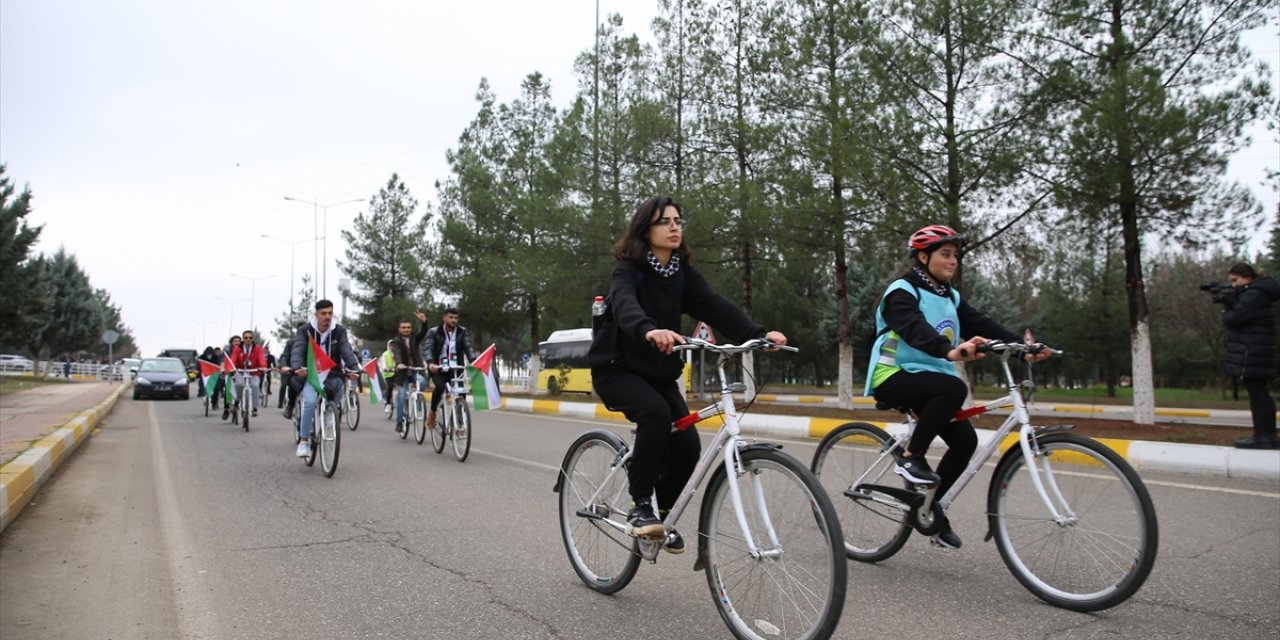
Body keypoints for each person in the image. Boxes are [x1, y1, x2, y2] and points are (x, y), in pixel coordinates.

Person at [587, 195, 786, 555]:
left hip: (658, 373)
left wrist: (757, 333)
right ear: (645, 229)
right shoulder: (626, 269)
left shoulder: (681, 273)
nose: (675, 227)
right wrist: (649, 330)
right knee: (656, 415)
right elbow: (626, 304)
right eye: (665, 221)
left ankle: (661, 518)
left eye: (678, 220)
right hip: (617, 370)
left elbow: (714, 305)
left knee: (687, 443)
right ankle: (640, 506)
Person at [865, 224, 1051, 550]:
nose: (954, 262)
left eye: (956, 256)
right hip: (893, 374)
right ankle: (912, 457)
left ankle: (929, 511)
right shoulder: (902, 291)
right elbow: (913, 328)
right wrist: (948, 350)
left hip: (931, 377)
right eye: (945, 255)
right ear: (923, 257)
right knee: (952, 388)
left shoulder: (949, 295)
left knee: (965, 441)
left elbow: (980, 323)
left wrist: (1023, 348)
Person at [288, 300, 360, 458]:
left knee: (339, 391)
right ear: (316, 314)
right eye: (324, 313)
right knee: (310, 402)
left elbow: (346, 350)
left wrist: (353, 368)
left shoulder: (339, 331)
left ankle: (329, 416)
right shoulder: (305, 330)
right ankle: (304, 440)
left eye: (330, 313)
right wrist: (296, 366)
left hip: (332, 373)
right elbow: (298, 348)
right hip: (310, 374)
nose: (327, 317)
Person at [1221, 262, 1280, 449]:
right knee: (1260, 392)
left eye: (1235, 280)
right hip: (1259, 350)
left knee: (1258, 394)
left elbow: (1233, 319)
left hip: (1252, 350)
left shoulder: (1253, 295)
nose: (1233, 285)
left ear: (1248, 277)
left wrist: (1226, 307)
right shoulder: (1258, 294)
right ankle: (1269, 436)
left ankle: (1262, 435)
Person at [423, 307, 476, 429]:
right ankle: (433, 411)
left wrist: (474, 361)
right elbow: (428, 348)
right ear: (444, 318)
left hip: (456, 369)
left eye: (456, 318)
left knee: (461, 395)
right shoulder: (433, 332)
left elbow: (468, 346)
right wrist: (430, 363)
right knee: (440, 387)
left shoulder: (462, 331)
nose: (453, 320)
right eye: (451, 317)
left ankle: (459, 424)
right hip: (438, 368)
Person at [389, 311, 430, 433]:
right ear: (399, 329)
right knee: (401, 396)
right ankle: (400, 422)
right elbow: (396, 353)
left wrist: (423, 321)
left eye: (408, 327)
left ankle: (415, 398)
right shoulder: (395, 342)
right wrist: (399, 364)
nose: (406, 329)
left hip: (415, 370)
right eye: (404, 327)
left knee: (422, 382)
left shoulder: (414, 339)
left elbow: (423, 332)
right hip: (403, 373)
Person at [230, 330, 267, 418]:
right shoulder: (237, 348)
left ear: (253, 339)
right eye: (246, 338)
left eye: (250, 338)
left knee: (255, 386)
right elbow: (233, 359)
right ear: (243, 339)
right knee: (239, 383)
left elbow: (261, 359)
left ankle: (254, 408)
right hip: (241, 371)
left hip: (254, 371)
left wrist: (263, 366)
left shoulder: (257, 348)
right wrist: (232, 367)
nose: (248, 340)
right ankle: (236, 402)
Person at [219, 336, 242, 420]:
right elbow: (223, 362)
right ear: (231, 343)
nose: (237, 343)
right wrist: (222, 371)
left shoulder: (243, 351)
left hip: (240, 373)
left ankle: (237, 404)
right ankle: (226, 409)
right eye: (235, 341)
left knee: (240, 388)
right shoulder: (227, 352)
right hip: (229, 373)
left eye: (238, 341)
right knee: (227, 390)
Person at [380, 340, 397, 419]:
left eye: (394, 345)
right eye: (391, 345)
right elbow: (383, 363)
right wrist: (385, 368)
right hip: (388, 374)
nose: (393, 347)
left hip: (397, 373)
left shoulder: (397, 353)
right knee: (390, 386)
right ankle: (388, 404)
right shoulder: (385, 354)